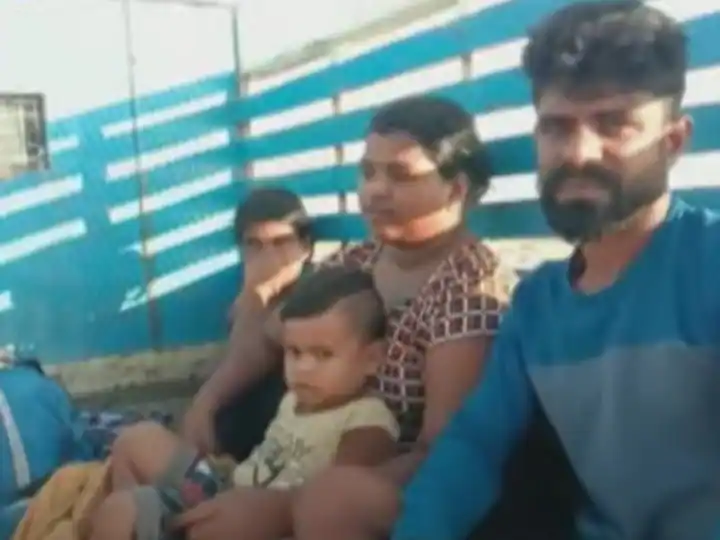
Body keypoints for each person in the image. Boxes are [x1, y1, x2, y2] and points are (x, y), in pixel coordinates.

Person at [391, 2, 720, 539]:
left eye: (614, 124)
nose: (579, 152)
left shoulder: (709, 262)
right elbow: (473, 447)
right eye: (557, 127)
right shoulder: (537, 307)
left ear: (672, 142)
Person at [291, 96, 524, 540]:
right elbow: (275, 331)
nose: (374, 191)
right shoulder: (359, 260)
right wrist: (210, 401)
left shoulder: (471, 290)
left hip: (408, 500)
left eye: (400, 176)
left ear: (456, 189)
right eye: (368, 173)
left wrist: (289, 503)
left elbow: (443, 454)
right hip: (313, 459)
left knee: (330, 503)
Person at [89, 266, 399, 540]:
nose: (303, 368)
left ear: (372, 358)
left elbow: (337, 505)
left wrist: (273, 515)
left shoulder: (366, 422)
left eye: (323, 355)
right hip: (226, 487)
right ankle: (152, 520)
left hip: (274, 523)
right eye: (294, 352)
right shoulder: (296, 397)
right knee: (134, 448)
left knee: (130, 515)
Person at [188, 187, 314, 464]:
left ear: (305, 247)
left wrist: (258, 293)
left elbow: (263, 344)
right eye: (254, 244)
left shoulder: (313, 293)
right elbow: (236, 354)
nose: (268, 256)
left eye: (281, 242)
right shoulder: (250, 296)